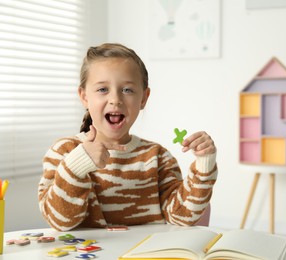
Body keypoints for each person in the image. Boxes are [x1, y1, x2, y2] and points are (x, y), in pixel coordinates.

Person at [38, 43, 217, 231]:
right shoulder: (64, 152)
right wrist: (76, 166)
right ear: (84, 96)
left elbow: (182, 217)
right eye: (102, 89)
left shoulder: (157, 157)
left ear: (143, 98)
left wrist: (204, 164)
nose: (115, 99)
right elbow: (59, 221)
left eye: (127, 90)